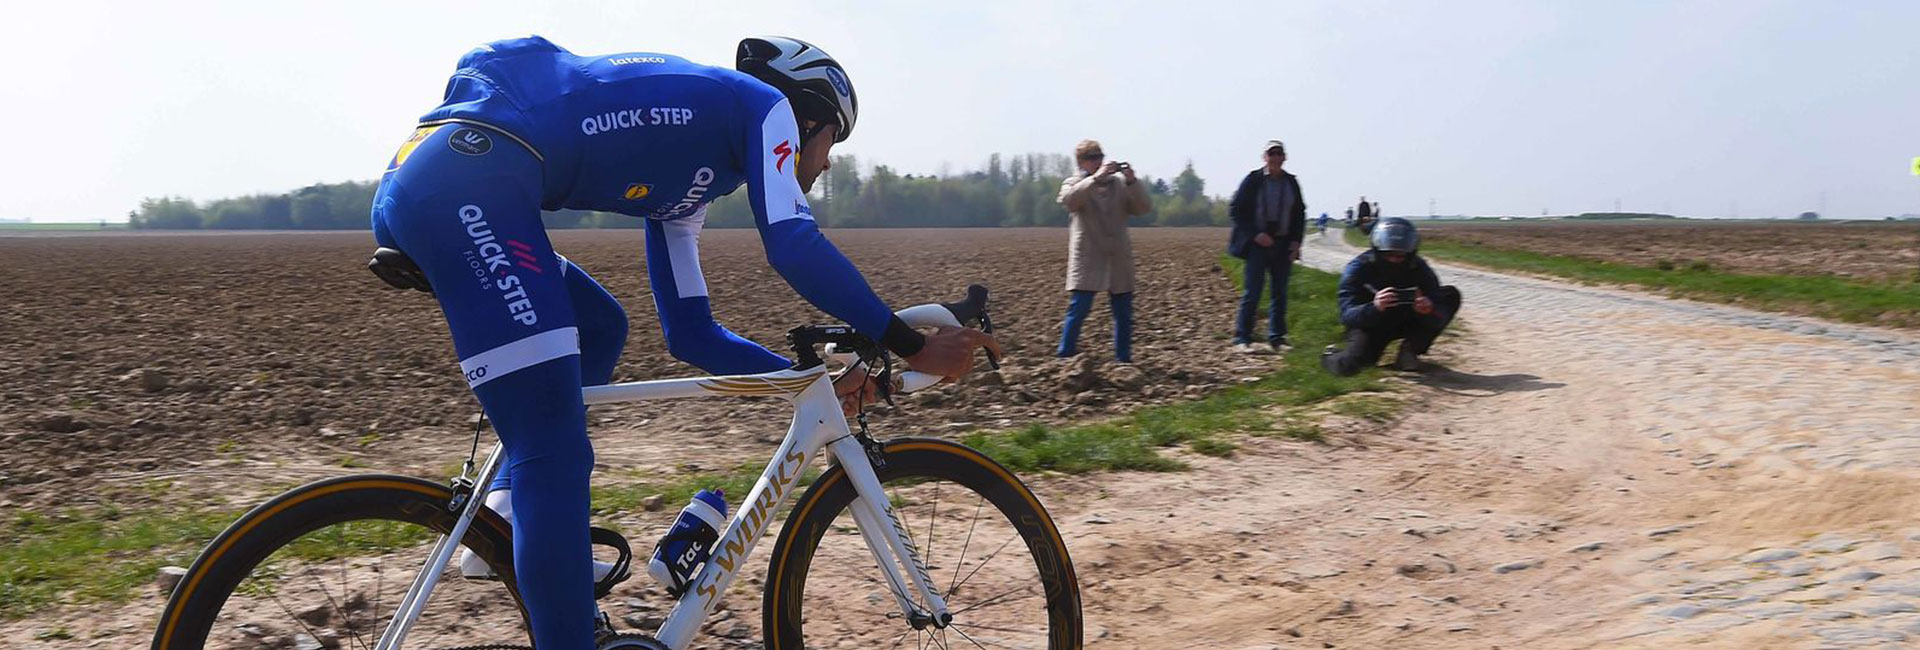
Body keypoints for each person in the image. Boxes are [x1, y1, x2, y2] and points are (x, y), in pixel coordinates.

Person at [367, 35, 997, 649]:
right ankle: (529, 539)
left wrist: (805, 382)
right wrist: (912, 345)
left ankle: (511, 515)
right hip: (469, 180)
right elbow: (793, 245)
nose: (830, 158)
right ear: (806, 118)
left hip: (439, 173)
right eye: (834, 136)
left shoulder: (689, 177)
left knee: (601, 327)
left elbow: (690, 332)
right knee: (553, 451)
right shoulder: (764, 105)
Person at [1321, 217, 1461, 375]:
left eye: (1400, 256)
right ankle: (1331, 355)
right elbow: (1347, 315)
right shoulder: (1358, 269)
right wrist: (1374, 307)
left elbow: (1436, 301)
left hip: (1409, 317)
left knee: (1450, 294)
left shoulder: (1419, 267)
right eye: (1389, 255)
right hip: (1372, 324)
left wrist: (1429, 307)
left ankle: (1410, 350)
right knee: (1350, 366)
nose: (1395, 260)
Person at [1055, 139, 1151, 362]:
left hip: (1117, 256)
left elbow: (1143, 208)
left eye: (1099, 156)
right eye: (1091, 158)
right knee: (1079, 309)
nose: (1097, 161)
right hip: (1089, 256)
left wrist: (1133, 182)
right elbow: (1069, 202)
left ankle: (1123, 359)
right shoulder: (1073, 183)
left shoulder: (1119, 184)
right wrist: (1094, 180)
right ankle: (1065, 355)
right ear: (1081, 162)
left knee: (1123, 313)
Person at [1226, 140, 1306, 353]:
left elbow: (1299, 214)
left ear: (1285, 157)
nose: (1276, 158)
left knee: (1279, 293)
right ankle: (1242, 338)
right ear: (1265, 157)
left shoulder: (1291, 183)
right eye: (1272, 154)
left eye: (1280, 153)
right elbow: (1236, 211)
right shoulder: (1253, 180)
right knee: (1252, 292)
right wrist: (1255, 235)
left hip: (1282, 244)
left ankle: (1277, 338)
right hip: (1257, 245)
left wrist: (1296, 241)